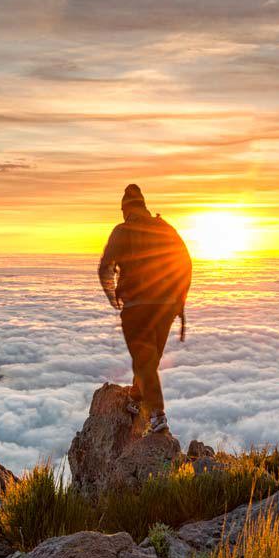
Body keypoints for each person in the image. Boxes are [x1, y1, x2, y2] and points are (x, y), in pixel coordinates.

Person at [97, 183, 192, 435]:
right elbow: (185, 263)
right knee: (149, 358)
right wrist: (179, 300)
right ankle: (137, 397)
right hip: (165, 307)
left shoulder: (122, 231)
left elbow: (105, 267)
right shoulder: (166, 230)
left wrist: (112, 297)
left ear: (125, 209)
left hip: (137, 305)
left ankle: (157, 414)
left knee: (145, 359)